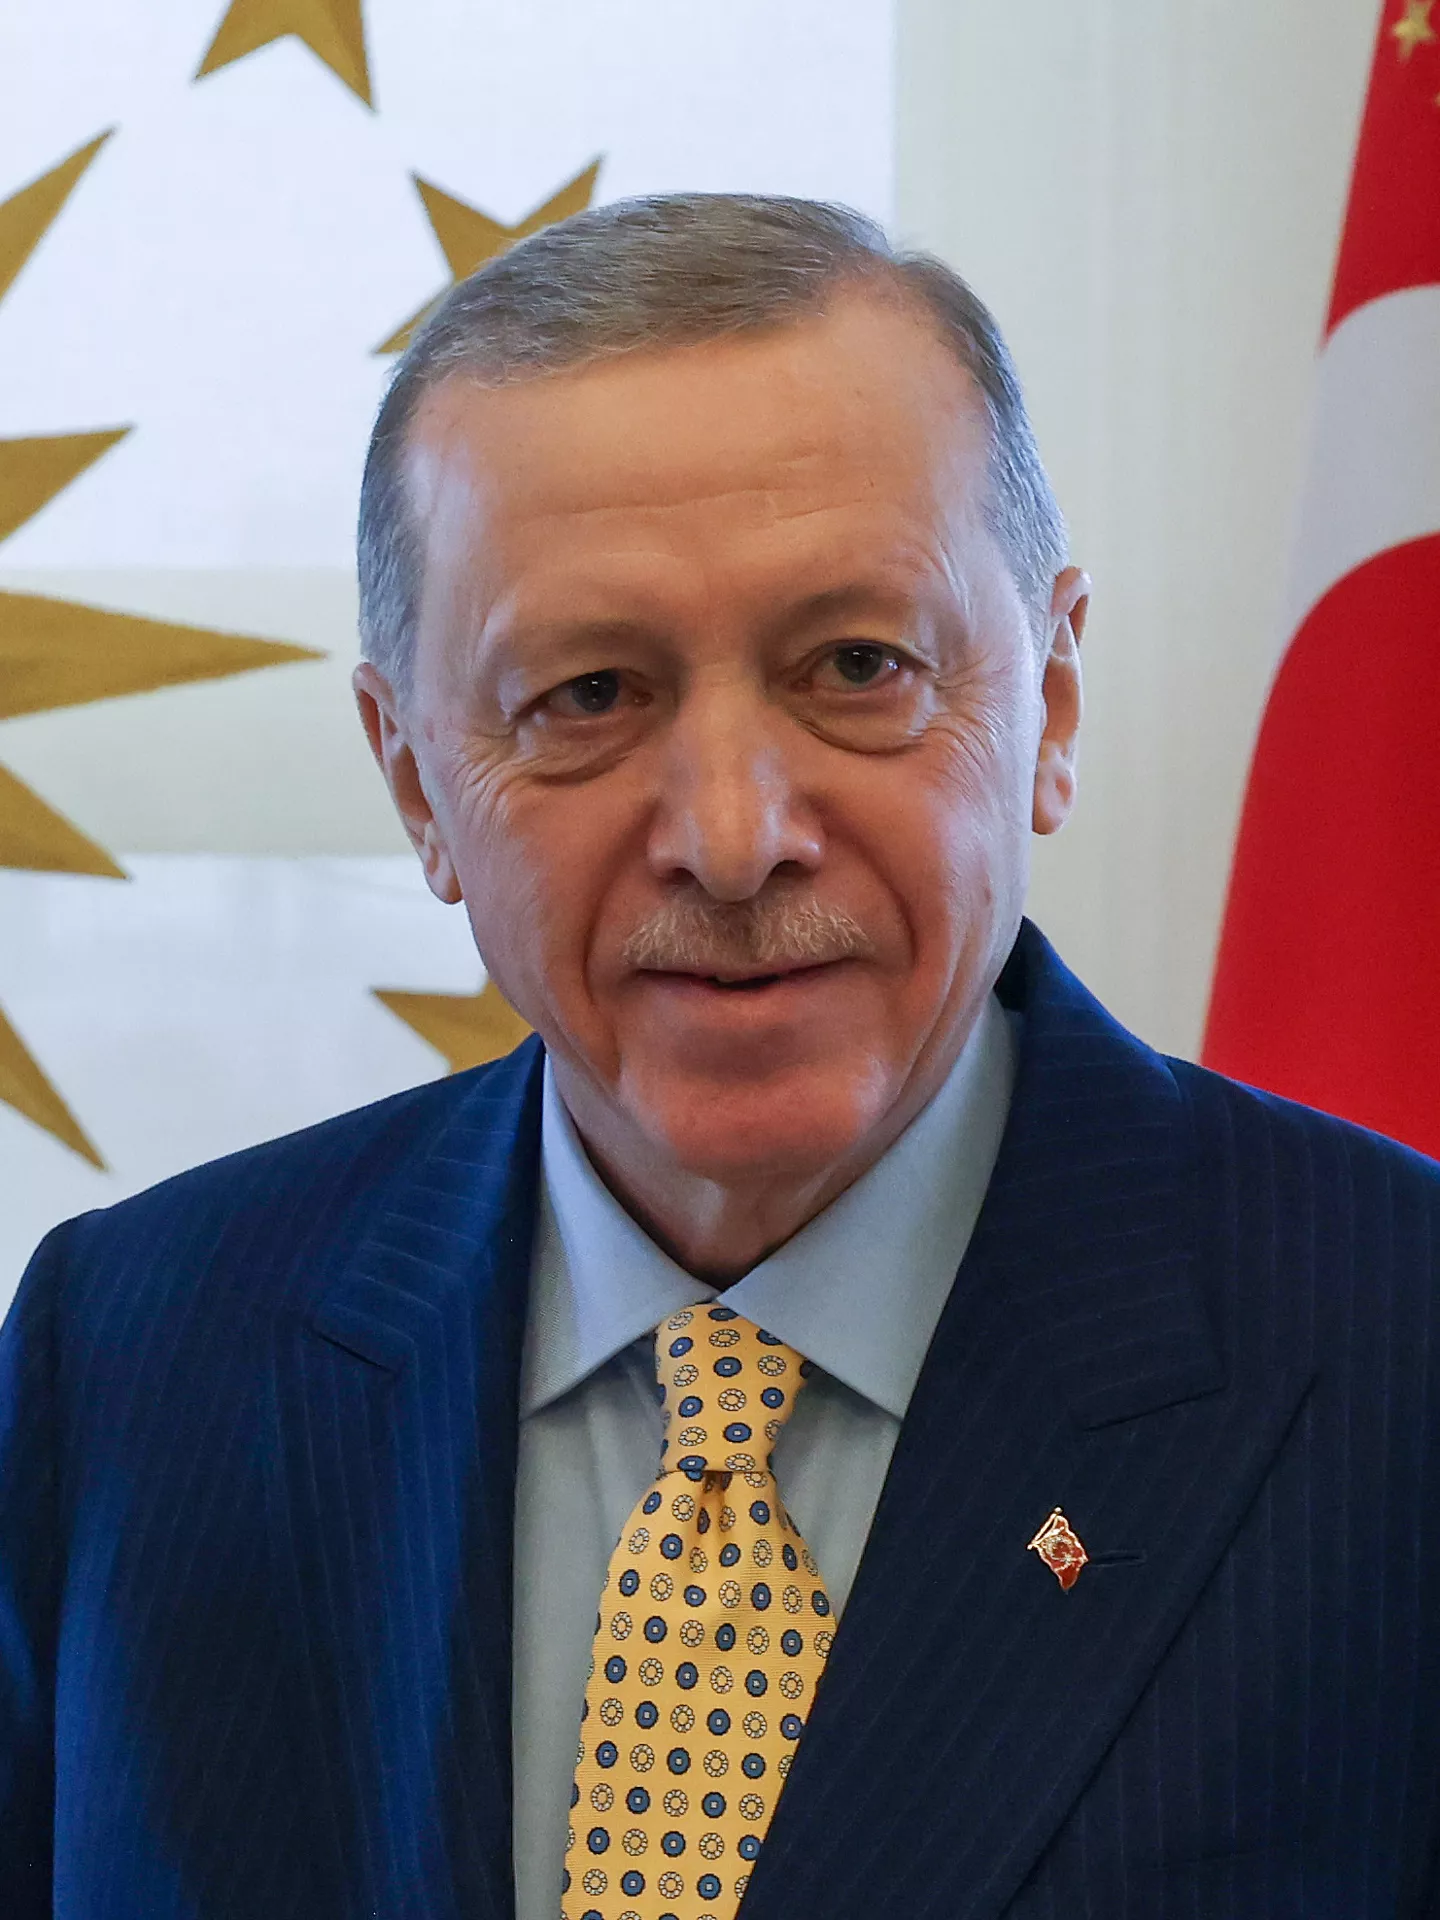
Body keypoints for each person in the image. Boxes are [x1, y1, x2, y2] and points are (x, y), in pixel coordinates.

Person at [3, 194, 1439, 1920]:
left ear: (1048, 702)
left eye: (857, 666)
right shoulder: (133, 1356)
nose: (737, 837)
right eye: (589, 694)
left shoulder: (1397, 1353)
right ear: (415, 785)